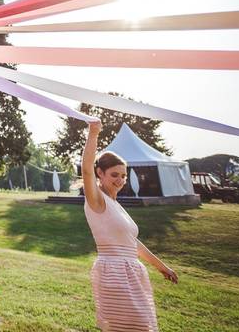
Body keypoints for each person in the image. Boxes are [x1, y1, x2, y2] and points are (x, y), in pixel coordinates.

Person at [82, 120, 177, 332]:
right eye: (114, 174)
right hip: (114, 273)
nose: (121, 179)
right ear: (100, 173)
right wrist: (94, 133)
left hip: (132, 273)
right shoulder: (96, 200)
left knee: (140, 327)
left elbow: (132, 244)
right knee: (136, 328)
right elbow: (86, 170)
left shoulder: (116, 205)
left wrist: (162, 267)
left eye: (123, 175)